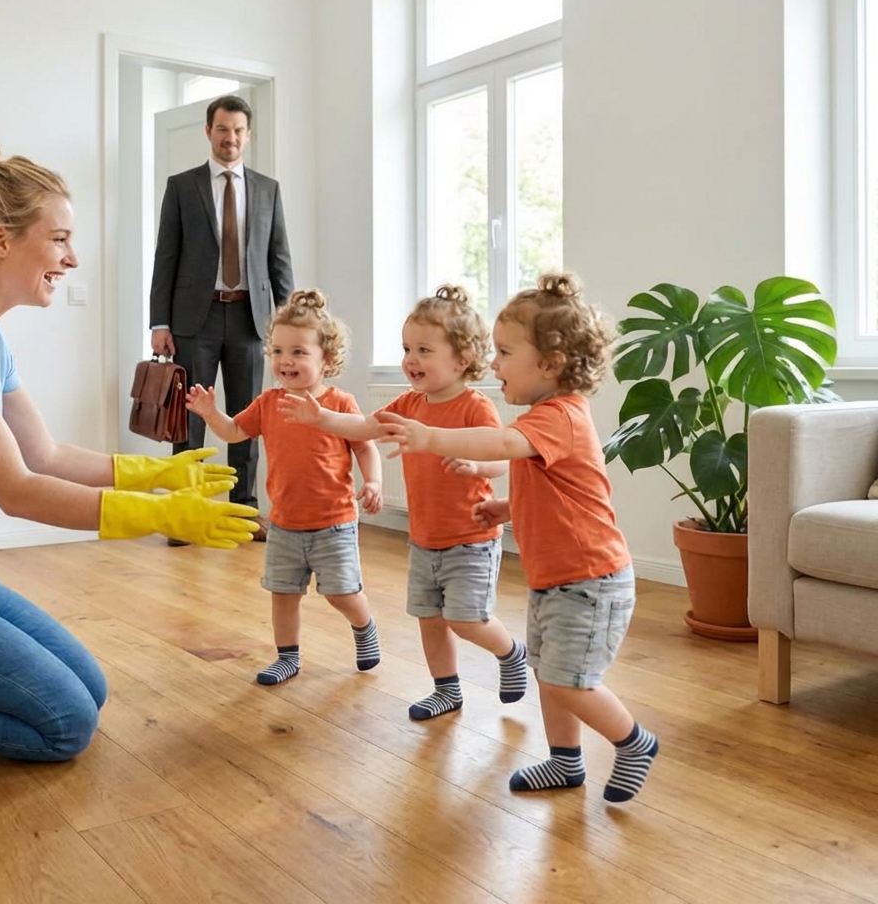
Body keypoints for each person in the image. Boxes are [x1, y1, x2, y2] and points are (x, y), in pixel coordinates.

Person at [0, 133, 258, 763]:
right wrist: (158, 515)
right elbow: (17, 491)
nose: (72, 259)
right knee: (65, 725)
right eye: (60, 239)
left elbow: (42, 455)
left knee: (89, 688)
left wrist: (156, 473)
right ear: (1, 240)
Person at [377, 274, 658, 803]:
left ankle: (633, 742)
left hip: (591, 580)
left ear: (550, 363)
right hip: (556, 578)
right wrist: (508, 507)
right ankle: (565, 762)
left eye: (505, 353)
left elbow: (503, 444)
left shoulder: (559, 416)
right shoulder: (543, 419)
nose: (494, 364)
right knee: (550, 676)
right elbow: (561, 490)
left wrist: (430, 436)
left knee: (569, 681)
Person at [280, 285, 528, 721]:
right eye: (407, 349)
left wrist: (475, 464)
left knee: (466, 620)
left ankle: (510, 652)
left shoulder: (475, 407)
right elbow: (363, 427)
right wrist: (322, 417)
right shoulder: (408, 403)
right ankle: (446, 690)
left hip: (470, 538)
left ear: (463, 358)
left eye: (424, 350)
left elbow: (501, 460)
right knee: (429, 618)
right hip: (424, 538)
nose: (411, 359)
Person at [186, 289, 383, 686]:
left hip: (334, 522)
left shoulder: (339, 404)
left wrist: (374, 481)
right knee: (283, 593)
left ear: (327, 359)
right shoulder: (268, 402)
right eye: (277, 351)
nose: (285, 360)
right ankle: (287, 656)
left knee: (341, 593)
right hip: (285, 524)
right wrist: (210, 413)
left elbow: (364, 445)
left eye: (298, 352)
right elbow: (235, 431)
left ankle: (364, 626)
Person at [149, 94, 294, 543]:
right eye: (222, 129)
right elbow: (166, 257)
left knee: (248, 419)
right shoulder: (182, 186)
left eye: (238, 130)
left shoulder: (268, 189)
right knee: (189, 420)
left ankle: (245, 512)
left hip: (252, 319)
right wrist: (159, 323)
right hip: (196, 318)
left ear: (248, 135)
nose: (230, 137)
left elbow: (279, 259)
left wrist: (290, 324)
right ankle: (186, 514)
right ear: (208, 131)